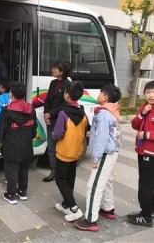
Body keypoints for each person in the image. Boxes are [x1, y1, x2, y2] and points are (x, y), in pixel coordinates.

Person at [75, 84, 122, 232]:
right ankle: (108, 209)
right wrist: (93, 134)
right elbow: (106, 133)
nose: (99, 95)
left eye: (101, 93)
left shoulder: (103, 114)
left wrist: (95, 159)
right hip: (112, 151)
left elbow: (102, 139)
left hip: (105, 153)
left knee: (94, 185)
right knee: (106, 181)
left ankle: (91, 220)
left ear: (105, 97)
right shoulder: (112, 111)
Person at [52, 81, 88, 222]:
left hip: (64, 152)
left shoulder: (63, 113)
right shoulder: (82, 112)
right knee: (70, 178)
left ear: (67, 95)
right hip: (77, 151)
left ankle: (74, 208)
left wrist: (55, 133)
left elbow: (57, 134)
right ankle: (66, 204)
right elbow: (86, 130)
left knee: (60, 179)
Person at [0, 81, 37, 205]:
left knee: (12, 170)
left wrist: (0, 142)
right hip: (26, 145)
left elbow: (1, 130)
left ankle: (11, 195)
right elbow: (34, 128)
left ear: (11, 94)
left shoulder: (6, 110)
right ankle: (22, 192)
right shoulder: (31, 108)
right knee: (24, 169)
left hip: (11, 145)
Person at [126, 80, 154, 227]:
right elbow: (134, 124)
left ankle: (145, 216)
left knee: (145, 185)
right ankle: (150, 210)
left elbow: (146, 132)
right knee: (148, 184)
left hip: (151, 154)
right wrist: (142, 113)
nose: (151, 95)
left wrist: (146, 135)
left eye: (153, 92)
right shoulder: (145, 108)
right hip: (143, 152)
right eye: (148, 92)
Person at [43, 60, 71, 182]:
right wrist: (46, 114)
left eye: (55, 68)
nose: (52, 69)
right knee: (51, 146)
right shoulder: (53, 83)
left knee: (62, 146)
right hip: (50, 119)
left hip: (61, 119)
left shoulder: (68, 84)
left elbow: (65, 104)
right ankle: (53, 170)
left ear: (62, 71)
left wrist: (51, 113)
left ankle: (62, 171)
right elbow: (47, 100)